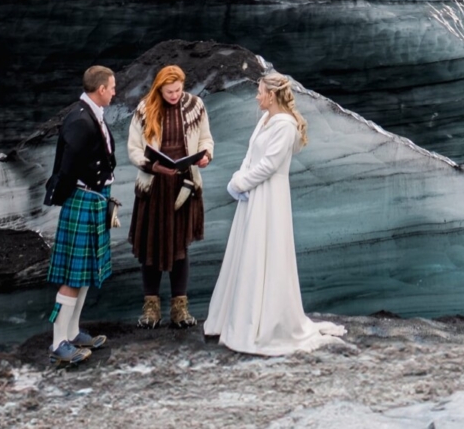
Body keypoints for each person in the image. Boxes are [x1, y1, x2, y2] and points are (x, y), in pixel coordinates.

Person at [202, 72, 346, 355]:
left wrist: (241, 182)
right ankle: (238, 320)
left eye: (260, 92)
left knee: (266, 251)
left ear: (272, 94)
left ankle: (264, 323)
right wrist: (238, 177)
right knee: (249, 251)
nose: (257, 96)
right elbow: (251, 156)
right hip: (254, 194)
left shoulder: (285, 125)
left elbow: (269, 165)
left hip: (270, 195)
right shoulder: (265, 120)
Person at [126, 64, 215, 328]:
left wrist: (206, 154)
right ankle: (151, 309)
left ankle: (180, 310)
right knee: (149, 248)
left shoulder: (196, 105)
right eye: (169, 91)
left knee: (180, 247)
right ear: (159, 89)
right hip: (153, 187)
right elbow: (133, 149)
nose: (174, 95)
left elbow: (206, 139)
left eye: (177, 90)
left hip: (184, 186)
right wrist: (151, 165)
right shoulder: (144, 109)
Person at [44, 64, 117, 365]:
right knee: (72, 276)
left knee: (84, 271)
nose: (115, 92)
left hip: (96, 197)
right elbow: (67, 168)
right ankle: (57, 342)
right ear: (100, 89)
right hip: (83, 199)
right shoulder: (80, 119)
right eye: (112, 87)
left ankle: (72, 332)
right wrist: (63, 197)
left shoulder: (92, 115)